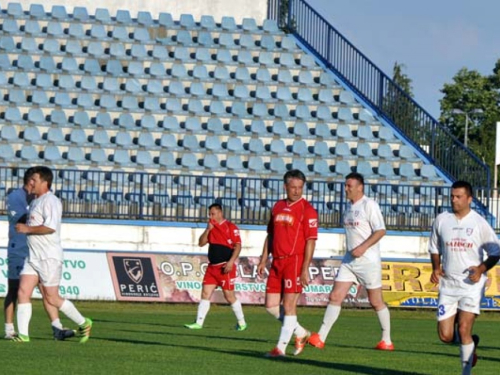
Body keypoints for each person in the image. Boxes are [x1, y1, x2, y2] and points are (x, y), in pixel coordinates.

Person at [308, 172, 393, 351]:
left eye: (349, 186)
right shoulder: (348, 207)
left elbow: (381, 230)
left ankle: (386, 340)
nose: (346, 189)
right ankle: (320, 337)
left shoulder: (369, 205)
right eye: (345, 185)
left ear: (360, 187)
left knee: (375, 301)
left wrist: (362, 247)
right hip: (349, 260)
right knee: (335, 296)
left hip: (368, 261)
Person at [12, 166, 93, 343]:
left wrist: (27, 228)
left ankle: (84, 322)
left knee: (51, 297)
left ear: (44, 182)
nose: (30, 183)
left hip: (49, 257)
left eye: (34, 179)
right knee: (23, 291)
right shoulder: (34, 202)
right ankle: (23, 335)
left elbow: (50, 227)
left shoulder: (51, 201)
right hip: (33, 256)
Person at [428, 180, 500, 375]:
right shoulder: (442, 220)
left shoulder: (479, 223)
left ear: (469, 199)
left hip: (471, 285)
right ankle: (471, 345)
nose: (454, 200)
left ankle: (465, 373)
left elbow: (495, 250)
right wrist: (436, 268)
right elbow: (434, 248)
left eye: (458, 197)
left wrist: (481, 268)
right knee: (445, 336)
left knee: (464, 329)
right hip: (448, 285)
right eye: (452, 196)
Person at [4, 168, 74, 341]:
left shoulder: (41, 199)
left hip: (38, 249)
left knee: (45, 289)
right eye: (31, 180)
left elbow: (43, 222)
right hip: (19, 247)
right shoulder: (15, 197)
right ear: (27, 181)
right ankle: (9, 328)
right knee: (15, 288)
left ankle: (56, 326)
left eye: (35, 180)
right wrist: (38, 215)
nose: (32, 184)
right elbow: (21, 220)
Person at [257, 169, 318, 357]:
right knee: (270, 305)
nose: (297, 191)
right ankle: (301, 333)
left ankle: (280, 349)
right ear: (285, 187)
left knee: (290, 306)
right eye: (293, 187)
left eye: (300, 187)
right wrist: (263, 258)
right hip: (277, 261)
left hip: (295, 261)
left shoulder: (308, 210)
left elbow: (311, 240)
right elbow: (271, 234)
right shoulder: (277, 206)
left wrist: (305, 268)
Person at [184, 203, 247, 331]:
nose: (210, 216)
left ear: (220, 213)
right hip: (212, 268)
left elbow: (238, 246)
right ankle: (199, 323)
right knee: (205, 293)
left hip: (225, 267)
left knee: (229, 295)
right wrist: (208, 229)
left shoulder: (230, 227)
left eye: (212, 214)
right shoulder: (211, 228)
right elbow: (201, 243)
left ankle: (242, 322)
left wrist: (230, 262)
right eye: (209, 214)